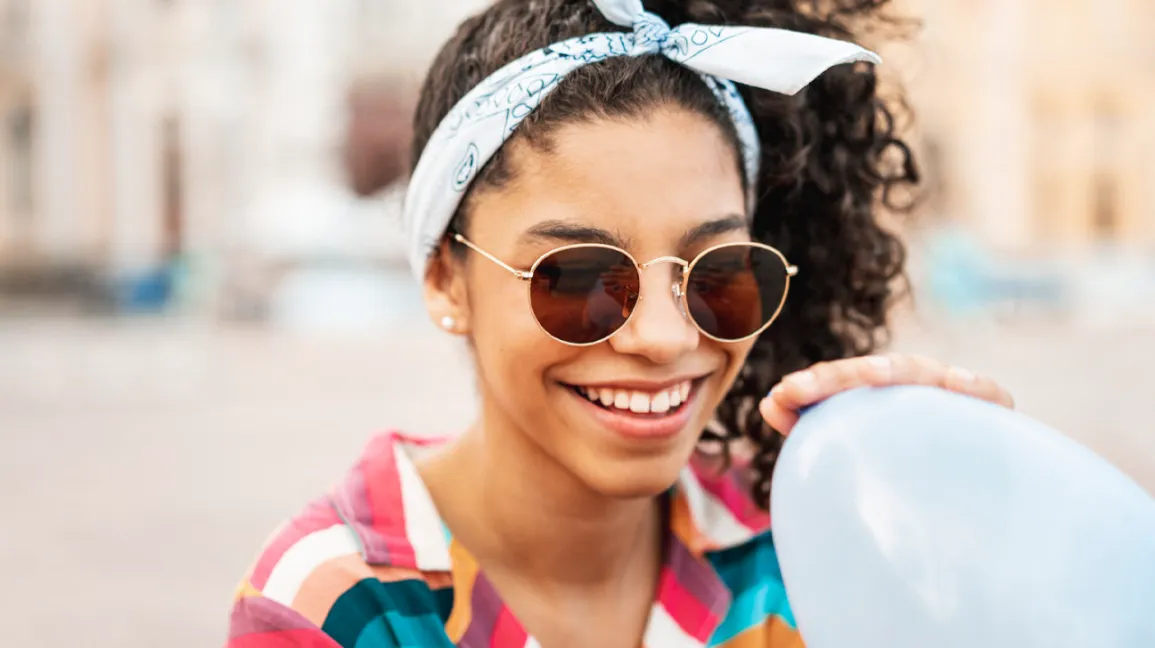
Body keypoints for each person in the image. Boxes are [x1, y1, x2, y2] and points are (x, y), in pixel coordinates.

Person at [225, 1, 1015, 646]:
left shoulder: (808, 545)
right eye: (577, 278)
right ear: (445, 279)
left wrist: (959, 539)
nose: (664, 338)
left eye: (717, 274)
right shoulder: (335, 602)